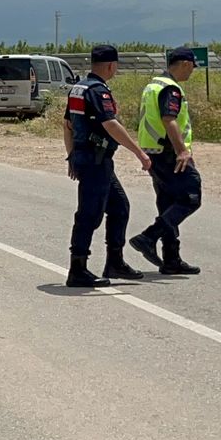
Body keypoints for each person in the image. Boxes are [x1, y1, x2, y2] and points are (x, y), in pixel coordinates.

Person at [62, 44, 152, 288]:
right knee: (89, 215)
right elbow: (110, 125)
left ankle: (115, 261)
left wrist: (71, 156)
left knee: (120, 206)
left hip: (89, 158)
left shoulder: (79, 88)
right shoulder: (97, 92)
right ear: (111, 66)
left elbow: (67, 125)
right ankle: (77, 269)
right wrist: (139, 153)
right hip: (95, 160)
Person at [130, 48, 203, 275]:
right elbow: (169, 120)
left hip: (154, 151)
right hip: (168, 152)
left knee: (168, 201)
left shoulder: (153, 85)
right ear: (183, 64)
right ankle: (149, 237)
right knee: (191, 197)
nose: (192, 71)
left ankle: (171, 258)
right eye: (192, 66)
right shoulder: (170, 89)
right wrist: (182, 150)